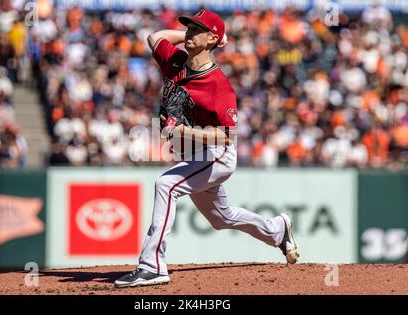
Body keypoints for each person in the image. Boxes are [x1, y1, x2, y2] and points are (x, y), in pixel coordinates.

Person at [114, 9, 299, 288]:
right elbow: (155, 36)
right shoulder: (175, 62)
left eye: (197, 29)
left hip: (218, 156)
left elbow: (227, 136)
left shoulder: (219, 86)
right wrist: (200, 37)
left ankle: (152, 266)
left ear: (211, 39)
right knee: (220, 218)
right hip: (192, 153)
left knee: (167, 185)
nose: (189, 33)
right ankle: (277, 230)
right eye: (188, 28)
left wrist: (184, 131)